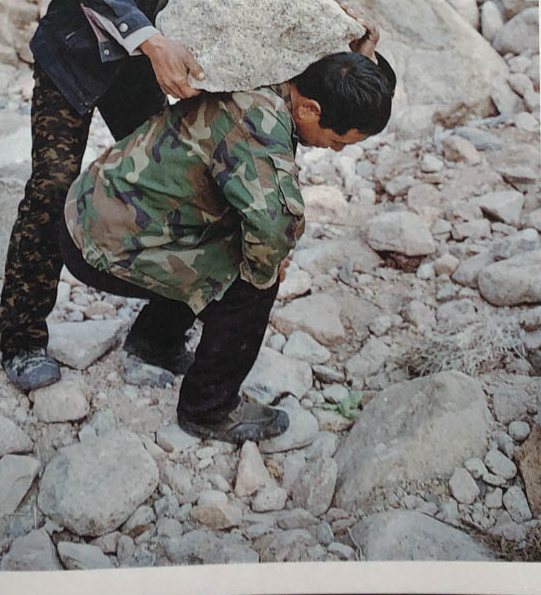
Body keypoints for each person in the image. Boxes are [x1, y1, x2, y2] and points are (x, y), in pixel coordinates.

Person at [0, 0, 331, 393]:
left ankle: (155, 332)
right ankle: (22, 339)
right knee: (50, 188)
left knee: (184, 184)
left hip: (142, 74)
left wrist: (333, 18)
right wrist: (150, 40)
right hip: (77, 59)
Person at [59, 50, 396, 444]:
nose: (336, 150)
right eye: (338, 141)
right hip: (100, 245)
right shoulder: (260, 135)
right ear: (309, 109)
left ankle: (155, 342)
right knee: (252, 284)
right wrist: (265, 267)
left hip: (94, 207)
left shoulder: (270, 70)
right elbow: (274, 229)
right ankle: (209, 409)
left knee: (234, 249)